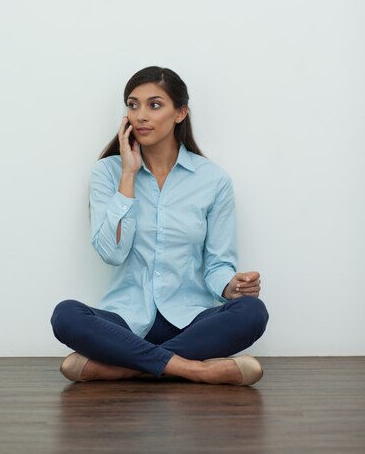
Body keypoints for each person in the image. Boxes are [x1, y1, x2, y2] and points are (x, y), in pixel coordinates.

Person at [50, 66, 269, 385]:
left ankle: (125, 366)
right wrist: (128, 175)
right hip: (126, 320)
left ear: (180, 113)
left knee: (252, 312)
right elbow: (112, 254)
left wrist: (233, 287)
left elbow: (217, 265)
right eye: (132, 104)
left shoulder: (213, 180)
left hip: (191, 320)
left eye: (154, 105)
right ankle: (194, 369)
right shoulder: (107, 173)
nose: (140, 115)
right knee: (66, 315)